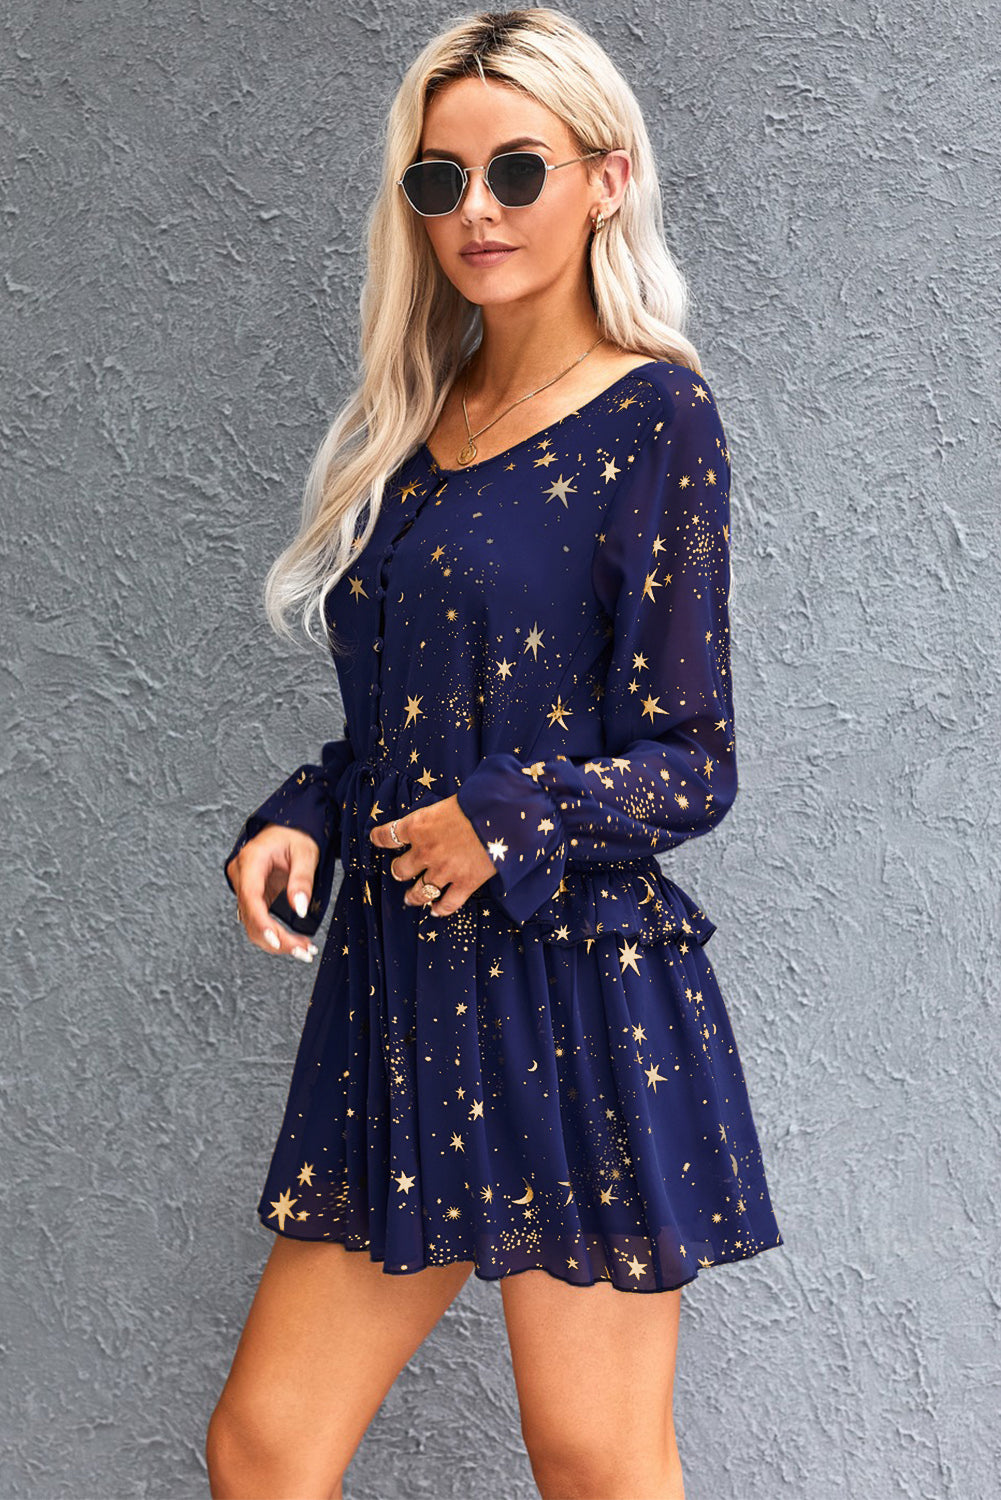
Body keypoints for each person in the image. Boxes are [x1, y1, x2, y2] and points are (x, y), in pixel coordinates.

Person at [206, 9, 784, 1498]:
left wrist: (507, 823)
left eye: (515, 171)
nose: (475, 210)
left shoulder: (657, 416)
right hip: (401, 987)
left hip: (573, 984)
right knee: (265, 1448)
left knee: (594, 1458)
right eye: (438, 179)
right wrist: (307, 813)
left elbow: (692, 758)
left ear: (604, 178)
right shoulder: (413, 427)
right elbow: (399, 731)